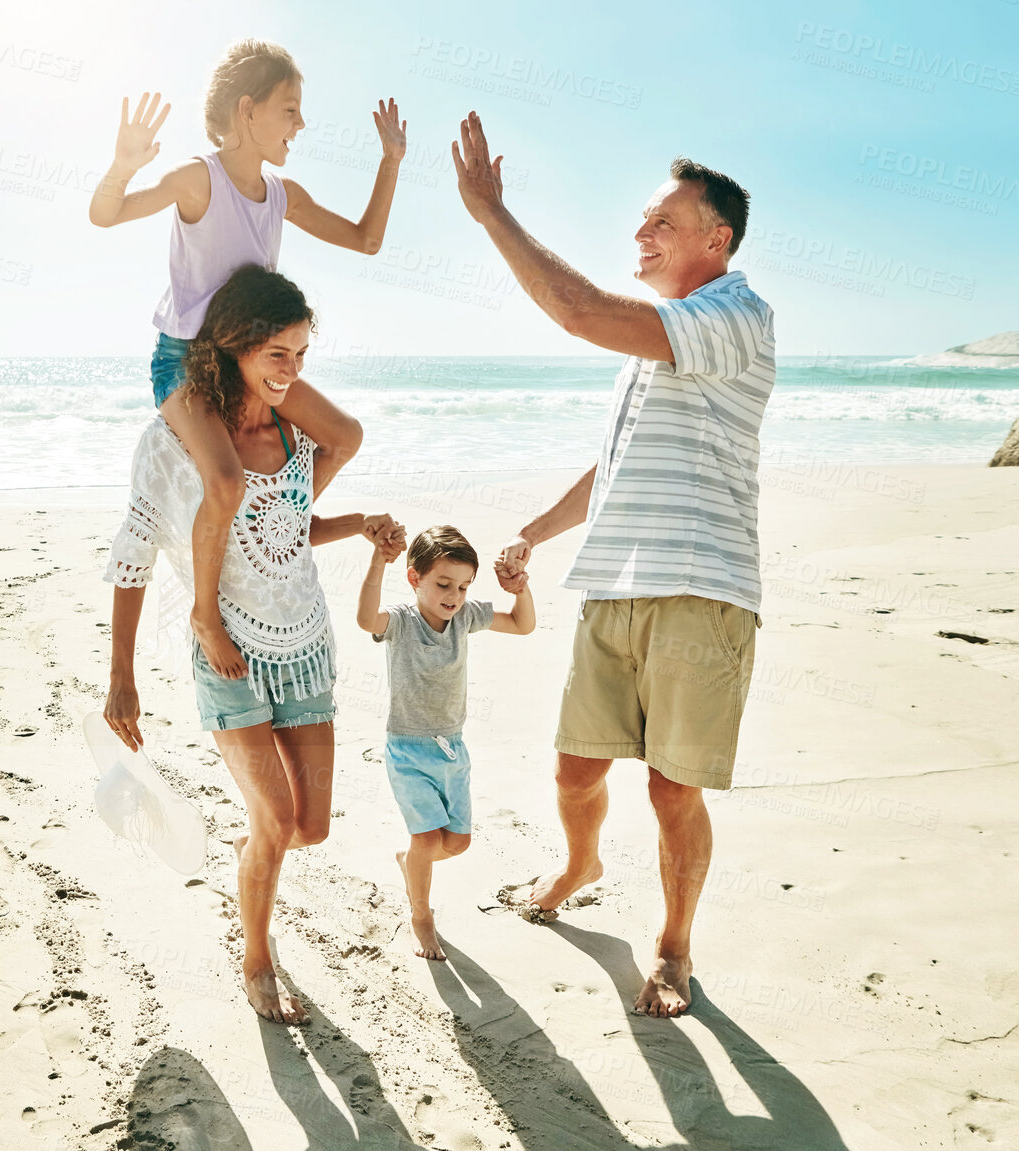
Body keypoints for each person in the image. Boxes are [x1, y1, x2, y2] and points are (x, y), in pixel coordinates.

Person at [451, 111, 776, 1018]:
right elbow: (617, 463)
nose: (642, 231)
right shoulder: (658, 345)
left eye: (663, 221)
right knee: (574, 769)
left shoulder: (736, 314)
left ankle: (673, 946)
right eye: (642, 219)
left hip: (700, 589)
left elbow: (580, 312)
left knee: (672, 787)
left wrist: (492, 214)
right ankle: (581, 861)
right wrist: (536, 529)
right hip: (614, 587)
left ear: (717, 240)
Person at [102, 264, 402, 1025]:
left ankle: (253, 856)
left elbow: (284, 528)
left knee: (310, 827)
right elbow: (135, 555)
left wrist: (357, 523)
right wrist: (122, 675)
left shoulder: (294, 434)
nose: (291, 372)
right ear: (234, 345)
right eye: (277, 354)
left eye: (302, 356)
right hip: (229, 655)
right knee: (276, 820)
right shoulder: (177, 444)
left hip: (304, 644)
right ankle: (258, 961)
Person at [89, 39, 406, 685]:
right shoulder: (197, 179)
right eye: (290, 108)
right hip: (185, 363)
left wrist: (391, 162)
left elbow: (367, 240)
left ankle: (283, 522)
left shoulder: (283, 194)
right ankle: (204, 614)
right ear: (247, 109)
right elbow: (106, 215)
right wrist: (122, 166)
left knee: (345, 435)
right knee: (226, 483)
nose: (300, 123)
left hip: (248, 360)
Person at [356, 524, 535, 961]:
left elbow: (523, 624)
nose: (454, 595)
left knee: (456, 842)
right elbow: (366, 619)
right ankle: (421, 916)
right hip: (408, 749)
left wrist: (521, 589)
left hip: (453, 748)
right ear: (414, 578)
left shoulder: (465, 617)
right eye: (443, 584)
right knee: (424, 838)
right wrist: (379, 561)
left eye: (463, 586)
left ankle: (411, 861)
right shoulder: (401, 621)